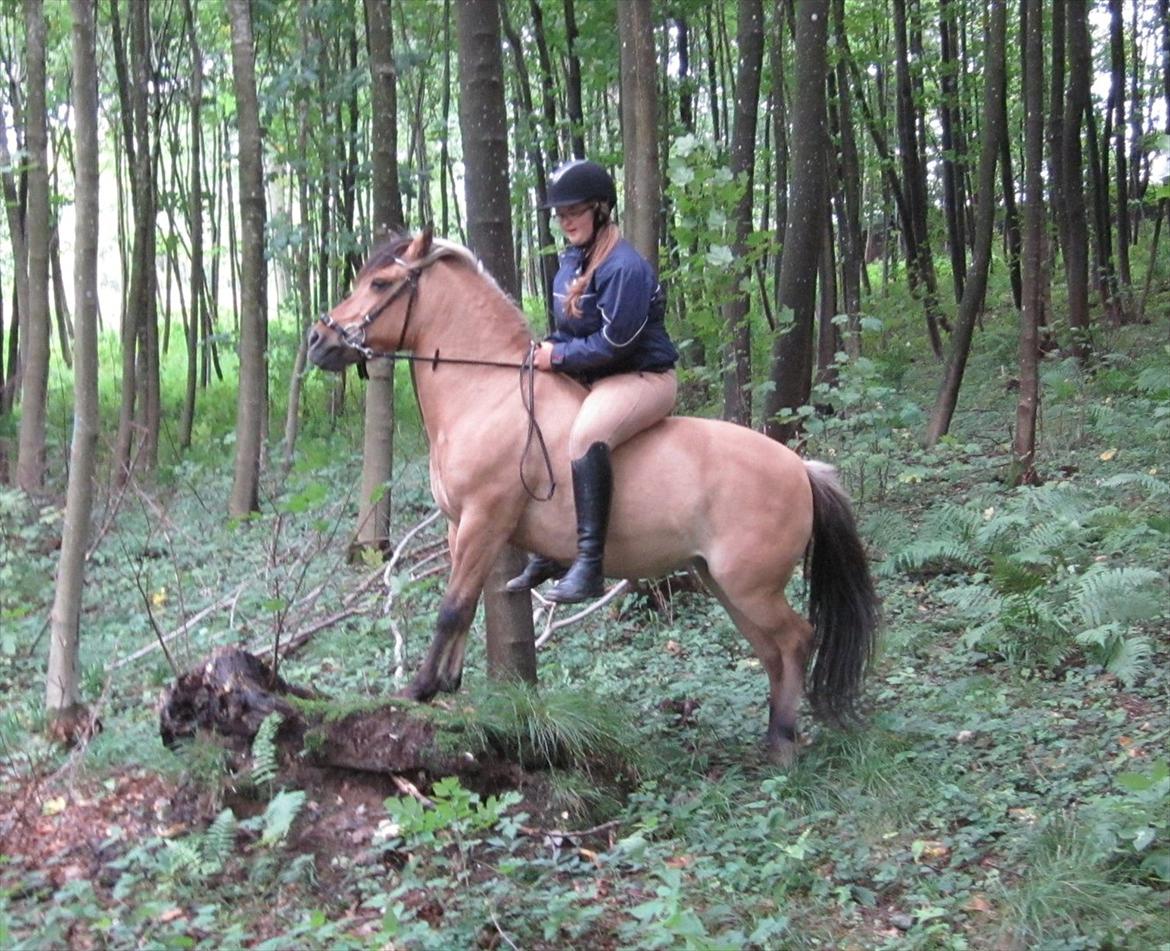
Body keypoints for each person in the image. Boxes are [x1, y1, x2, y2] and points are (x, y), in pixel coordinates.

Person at [506, 159, 679, 604]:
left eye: (575, 211)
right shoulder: (571, 262)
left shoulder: (625, 268)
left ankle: (588, 563)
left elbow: (614, 344)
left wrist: (557, 356)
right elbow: (570, 330)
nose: (566, 222)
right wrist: (543, 349)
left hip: (641, 377)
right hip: (597, 377)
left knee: (586, 434)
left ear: (601, 210)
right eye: (560, 214)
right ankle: (555, 549)